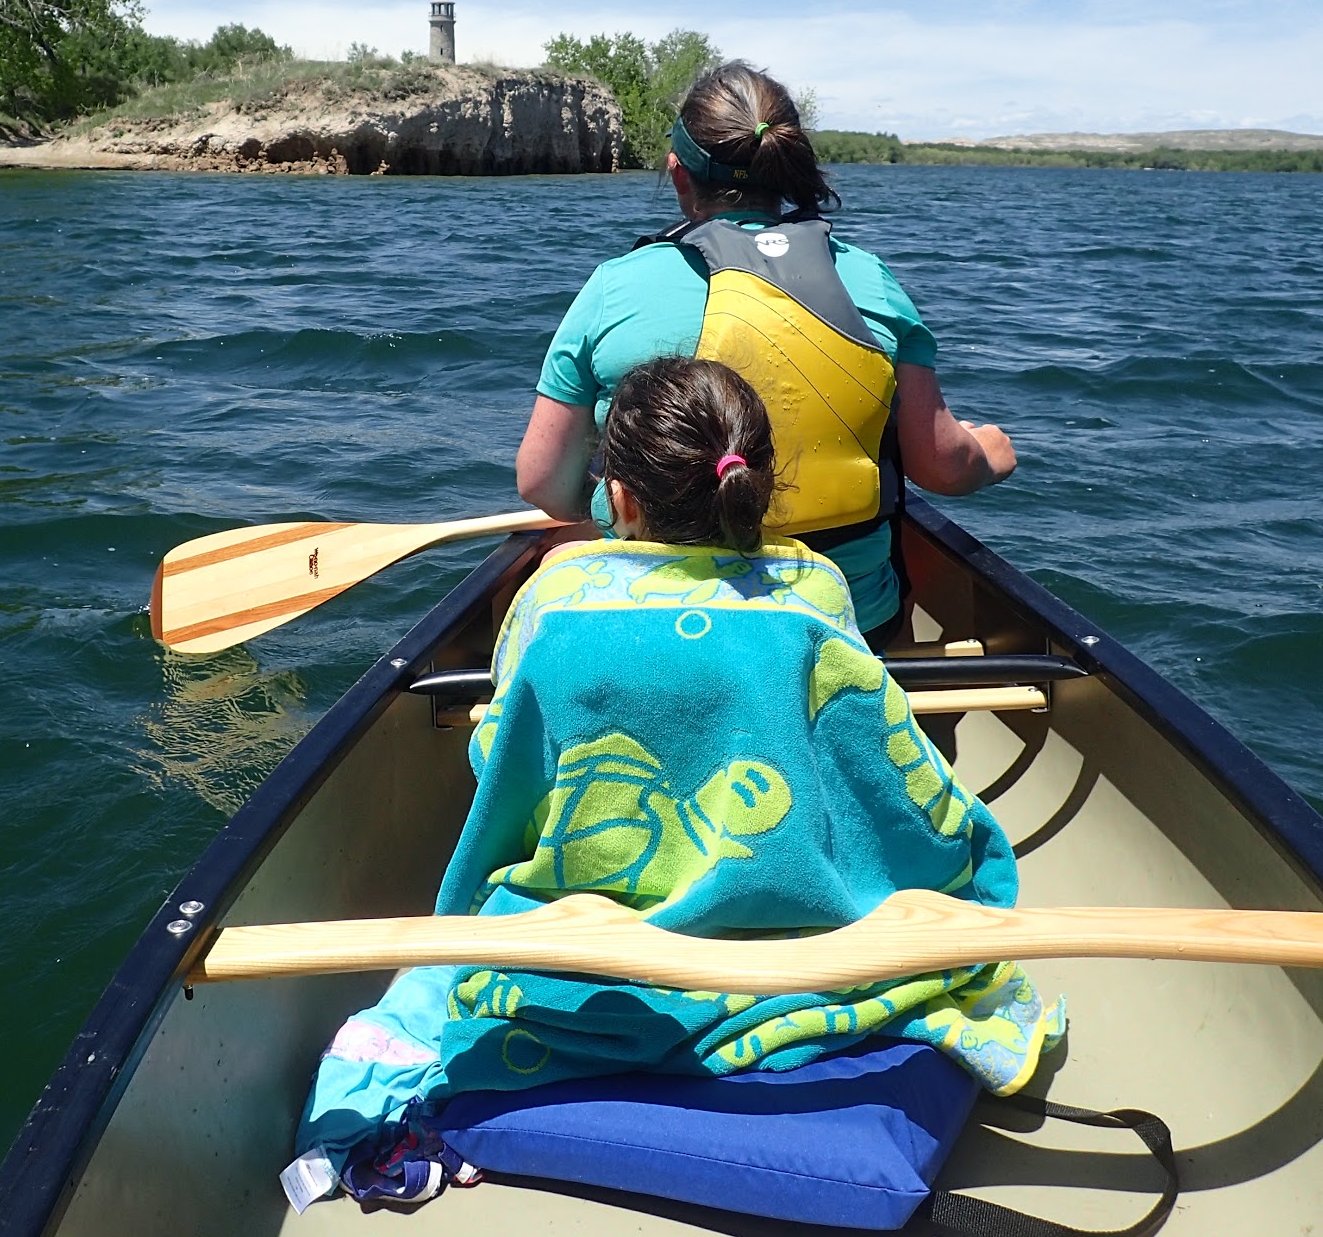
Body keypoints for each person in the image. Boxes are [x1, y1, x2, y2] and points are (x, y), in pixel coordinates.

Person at [288, 358, 1062, 1209]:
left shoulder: (557, 595)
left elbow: (501, 764)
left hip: (589, 951)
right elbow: (860, 761)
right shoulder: (816, 586)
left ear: (618, 497)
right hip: (801, 945)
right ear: (759, 486)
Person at [515, 61, 1015, 650]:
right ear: (786, 170)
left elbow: (543, 482)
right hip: (845, 623)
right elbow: (941, 468)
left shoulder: (614, 288)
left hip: (661, 619)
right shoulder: (870, 281)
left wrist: (612, 505)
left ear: (679, 176)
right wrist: (990, 452)